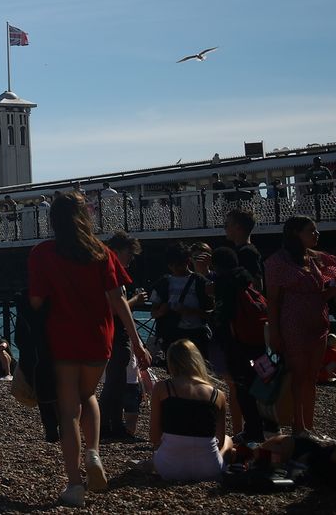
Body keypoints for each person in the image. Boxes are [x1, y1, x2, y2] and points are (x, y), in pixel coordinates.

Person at [27, 191, 150, 508]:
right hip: (99, 338)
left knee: (68, 410)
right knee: (89, 396)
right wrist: (137, 343)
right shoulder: (103, 253)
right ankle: (93, 453)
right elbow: (118, 300)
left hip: (63, 338)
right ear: (86, 218)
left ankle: (74, 483)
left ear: (53, 220)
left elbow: (37, 301)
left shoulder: (43, 253)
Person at [264, 215, 336, 437]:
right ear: (295, 234)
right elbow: (273, 300)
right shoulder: (277, 262)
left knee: (311, 376)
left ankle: (308, 425)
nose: (316, 234)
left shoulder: (316, 259)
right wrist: (276, 333)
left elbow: (319, 295)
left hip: (318, 324)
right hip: (293, 325)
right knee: (298, 376)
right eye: (311, 231)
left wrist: (334, 292)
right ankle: (298, 426)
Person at [148, 339, 230, 482]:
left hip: (168, 468)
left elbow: (154, 437)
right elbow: (220, 442)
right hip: (209, 469)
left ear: (171, 362)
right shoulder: (218, 395)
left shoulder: (162, 388)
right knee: (228, 441)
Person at [98, 231, 149, 441]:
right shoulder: (112, 275)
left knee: (115, 382)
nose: (131, 258)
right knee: (114, 383)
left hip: (113, 334)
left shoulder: (107, 272)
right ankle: (109, 428)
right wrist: (135, 300)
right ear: (116, 251)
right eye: (129, 253)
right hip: (115, 334)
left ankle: (111, 426)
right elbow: (115, 308)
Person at [208, 246, 261, 444]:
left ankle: (252, 430)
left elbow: (224, 315)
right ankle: (262, 425)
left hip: (236, 342)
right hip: (255, 340)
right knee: (255, 383)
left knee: (241, 387)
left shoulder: (224, 283)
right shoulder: (246, 279)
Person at [152, 242, 212, 353]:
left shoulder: (201, 282)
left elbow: (211, 313)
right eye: (171, 265)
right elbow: (153, 312)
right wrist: (161, 311)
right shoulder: (163, 283)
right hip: (172, 333)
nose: (175, 268)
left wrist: (192, 311)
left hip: (196, 334)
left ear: (187, 262)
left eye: (179, 264)